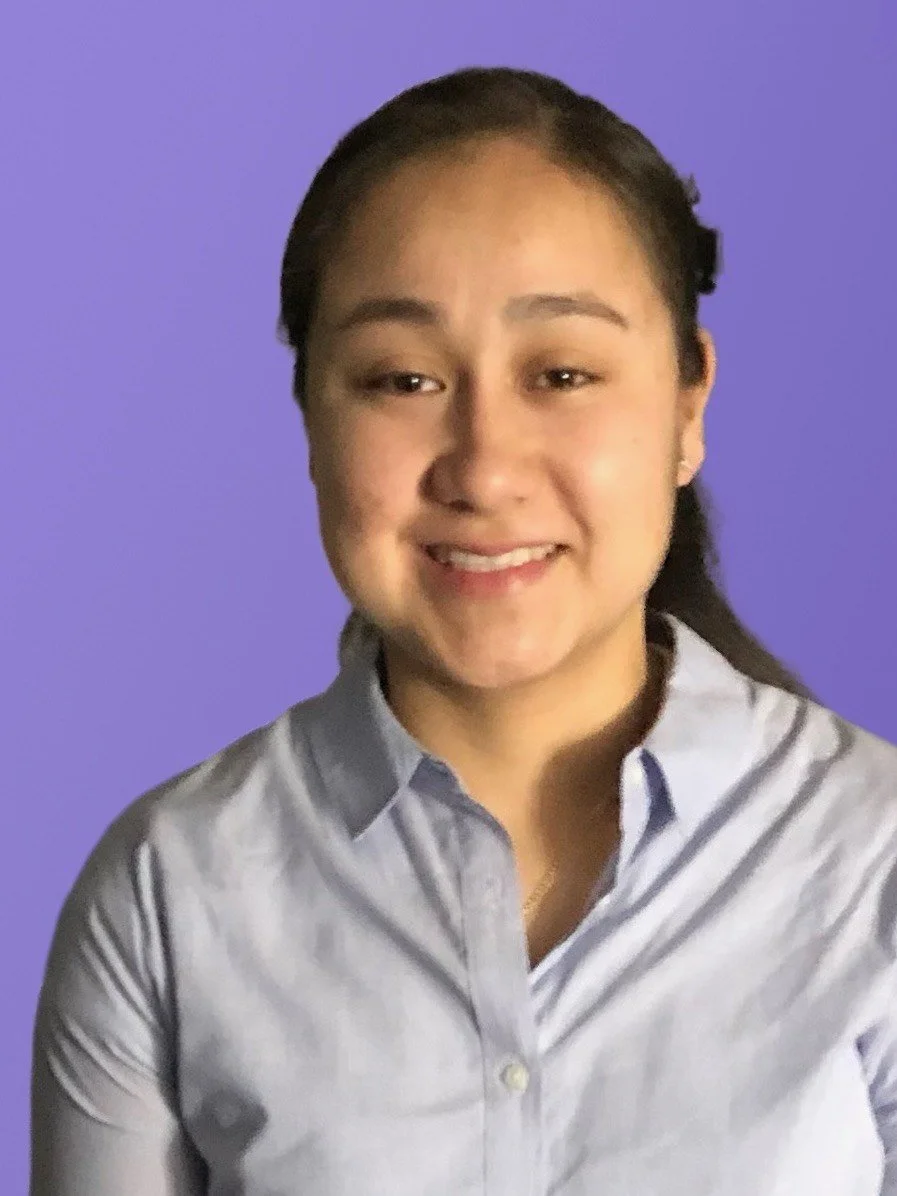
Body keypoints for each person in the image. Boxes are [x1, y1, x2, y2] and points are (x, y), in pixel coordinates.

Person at [29, 65, 897, 1195]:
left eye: (564, 372)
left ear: (688, 407)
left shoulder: (871, 859)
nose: (483, 467)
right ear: (310, 420)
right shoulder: (166, 895)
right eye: (403, 378)